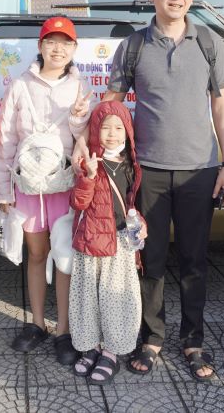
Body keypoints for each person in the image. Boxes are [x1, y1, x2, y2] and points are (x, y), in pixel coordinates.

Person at [98, 0, 224, 382]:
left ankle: (193, 340)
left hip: (199, 170)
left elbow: (221, 108)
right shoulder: (133, 46)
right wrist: (94, 143)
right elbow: (112, 103)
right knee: (150, 258)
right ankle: (152, 337)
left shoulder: (209, 42)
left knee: (195, 260)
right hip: (149, 171)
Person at [0, 16, 92, 363]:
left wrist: (79, 118)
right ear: (40, 46)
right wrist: (3, 190)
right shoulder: (20, 85)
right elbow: (6, 139)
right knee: (36, 254)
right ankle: (37, 323)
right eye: (51, 42)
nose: (57, 49)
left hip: (64, 184)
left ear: (74, 49)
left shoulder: (80, 87)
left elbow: (85, 139)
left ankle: (64, 329)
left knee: (64, 256)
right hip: (28, 186)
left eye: (65, 43)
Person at [68, 102, 146, 385]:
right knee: (88, 300)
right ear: (94, 131)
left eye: (118, 128)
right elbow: (78, 203)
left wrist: (141, 225)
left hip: (119, 244)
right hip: (90, 243)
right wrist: (88, 177)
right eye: (105, 127)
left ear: (128, 132)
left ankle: (111, 352)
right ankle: (90, 348)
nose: (112, 134)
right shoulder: (88, 162)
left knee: (115, 299)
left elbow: (131, 205)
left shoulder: (131, 166)